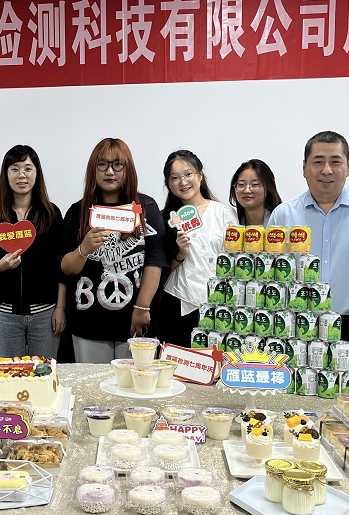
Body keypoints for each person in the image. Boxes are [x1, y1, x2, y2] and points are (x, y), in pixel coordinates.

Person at [268, 131, 349, 363]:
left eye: (335, 162)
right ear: (304, 168)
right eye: (318, 162)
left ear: (348, 167)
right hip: (298, 328)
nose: (327, 170)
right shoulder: (283, 215)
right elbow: (272, 272)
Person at [61, 137, 166, 362]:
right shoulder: (78, 212)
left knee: (137, 382)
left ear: (128, 169)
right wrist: (84, 249)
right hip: (89, 324)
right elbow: (66, 268)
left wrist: (142, 308)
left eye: (118, 164)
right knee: (92, 385)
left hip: (136, 322)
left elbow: (155, 261)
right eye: (102, 164)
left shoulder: (146, 208)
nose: (110, 172)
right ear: (93, 169)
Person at [0, 145, 66, 358]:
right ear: (6, 174)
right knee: (9, 372)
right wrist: (1, 266)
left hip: (45, 313)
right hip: (5, 315)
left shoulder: (51, 213)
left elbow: (61, 266)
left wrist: (60, 308)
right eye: (15, 169)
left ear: (37, 173)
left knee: (44, 371)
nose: (21, 175)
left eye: (28, 168)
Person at [159, 150, 238, 346]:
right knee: (177, 361)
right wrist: (180, 254)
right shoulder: (165, 218)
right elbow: (161, 269)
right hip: (179, 300)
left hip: (219, 303)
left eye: (188, 174)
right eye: (175, 178)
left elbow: (236, 258)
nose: (183, 182)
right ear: (169, 184)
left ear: (200, 176)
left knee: (215, 360)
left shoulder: (223, 213)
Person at [229, 159, 283, 226]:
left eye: (255, 184)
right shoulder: (230, 221)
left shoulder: (281, 221)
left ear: (268, 188)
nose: (247, 190)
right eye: (241, 184)